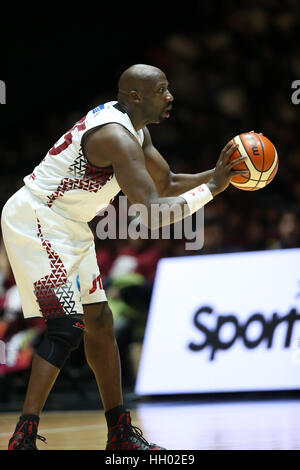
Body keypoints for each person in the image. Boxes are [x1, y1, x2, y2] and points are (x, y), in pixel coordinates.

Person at [1, 64, 248, 450]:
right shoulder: (116, 136)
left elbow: (164, 184)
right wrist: (212, 190)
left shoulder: (136, 131)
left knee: (100, 319)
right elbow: (151, 213)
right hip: (36, 222)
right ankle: (23, 436)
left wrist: (216, 175)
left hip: (70, 224)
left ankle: (119, 434)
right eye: (162, 90)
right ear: (135, 95)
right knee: (67, 328)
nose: (170, 97)